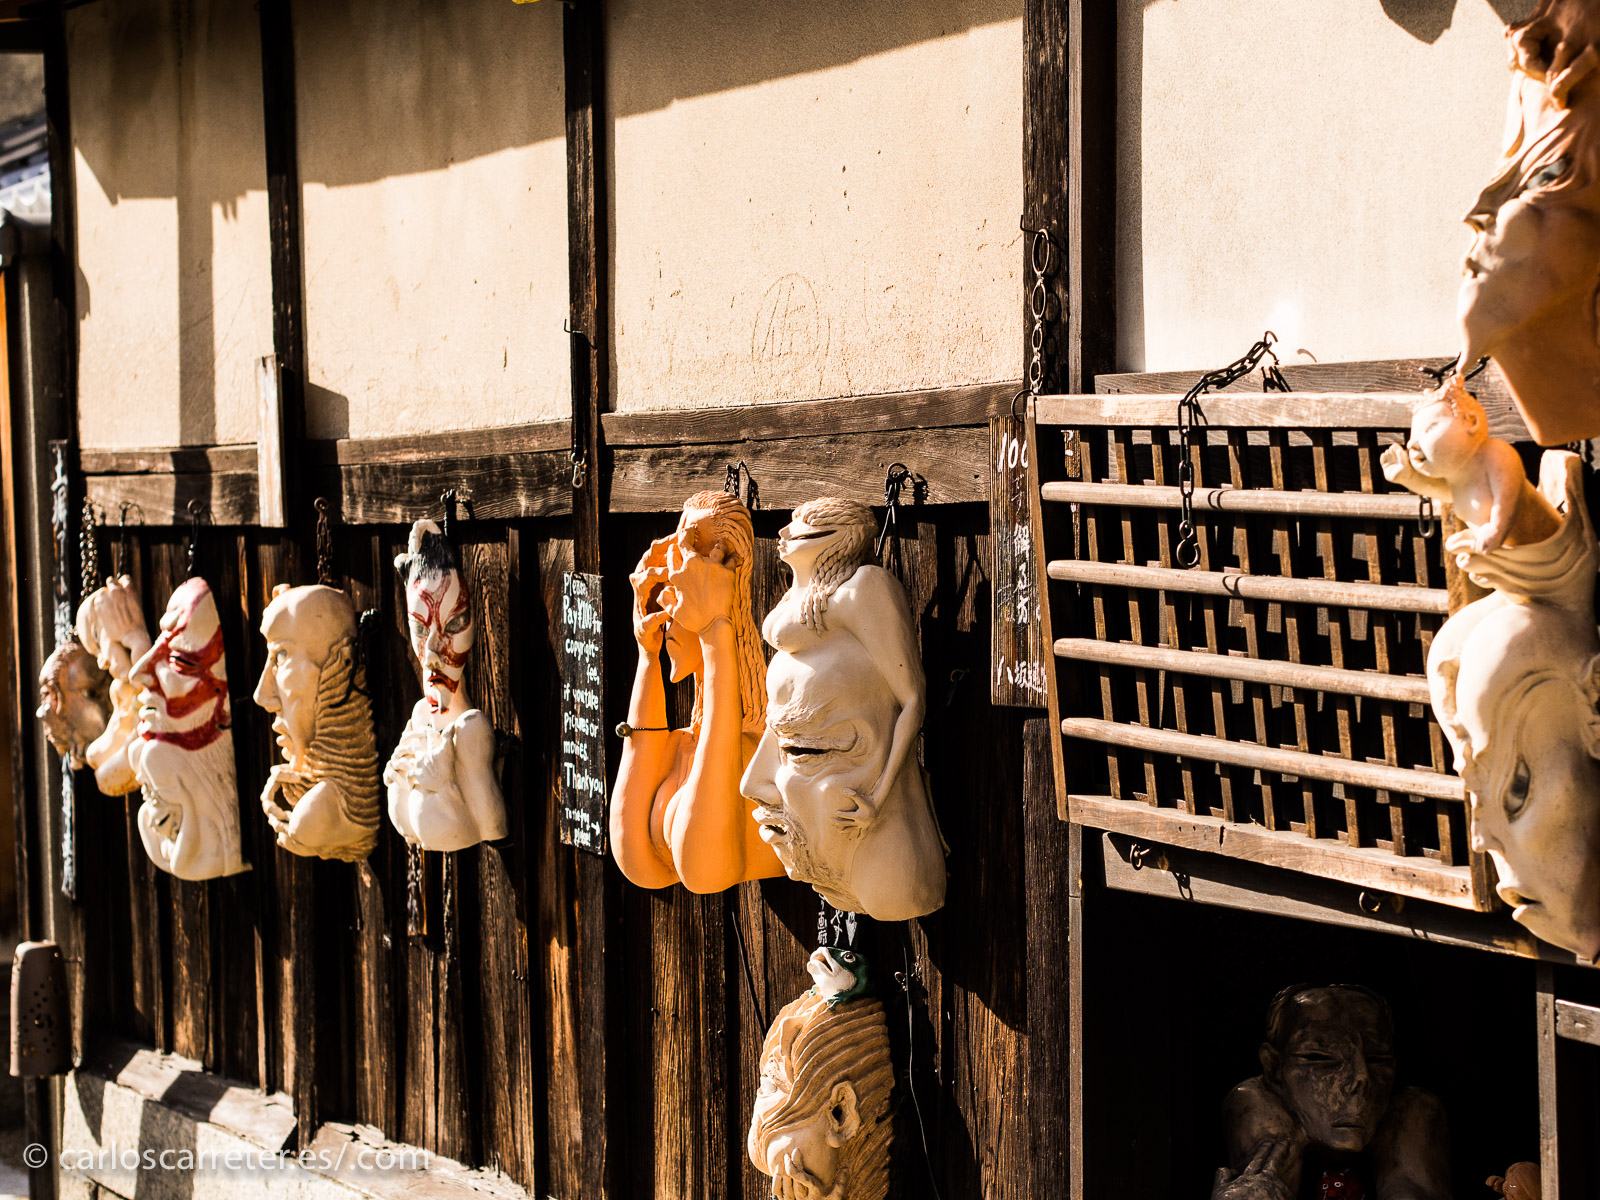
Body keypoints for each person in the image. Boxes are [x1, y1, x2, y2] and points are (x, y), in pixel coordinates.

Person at [609, 490, 783, 893]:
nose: (666, 612)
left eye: (682, 582)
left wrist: (716, 627)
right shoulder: (684, 745)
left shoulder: (748, 754)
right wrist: (647, 655)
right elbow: (635, 860)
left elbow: (704, 871)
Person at [1212, 985, 1449, 1200]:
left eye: (1377, 1059)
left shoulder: (1408, 1112)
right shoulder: (1255, 1107)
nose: (1360, 1078)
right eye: (1319, 1058)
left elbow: (1412, 1190)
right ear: (1274, 1067)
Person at [384, 520, 506, 852]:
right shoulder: (421, 714)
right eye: (420, 630)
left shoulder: (469, 730)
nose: (434, 650)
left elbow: (494, 826)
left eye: (454, 624)